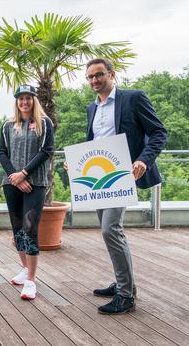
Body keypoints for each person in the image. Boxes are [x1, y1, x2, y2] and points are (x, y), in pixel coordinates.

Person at [82, 58, 167, 314]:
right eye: (90, 77)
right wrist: (76, 166)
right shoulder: (91, 108)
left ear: (111, 74)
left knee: (111, 230)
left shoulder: (133, 98)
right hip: (99, 178)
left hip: (122, 175)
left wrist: (144, 159)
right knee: (110, 231)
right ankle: (124, 282)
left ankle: (126, 295)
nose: (94, 80)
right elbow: (94, 141)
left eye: (99, 75)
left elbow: (158, 132)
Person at [0, 84, 54, 300]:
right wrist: (14, 176)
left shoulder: (44, 123)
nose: (24, 102)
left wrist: (24, 173)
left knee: (30, 228)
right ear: (16, 102)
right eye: (20, 98)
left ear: (34, 100)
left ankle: (31, 280)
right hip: (11, 182)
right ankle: (24, 268)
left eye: (28, 98)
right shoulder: (8, 125)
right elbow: (2, 152)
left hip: (35, 183)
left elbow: (46, 151)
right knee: (17, 228)